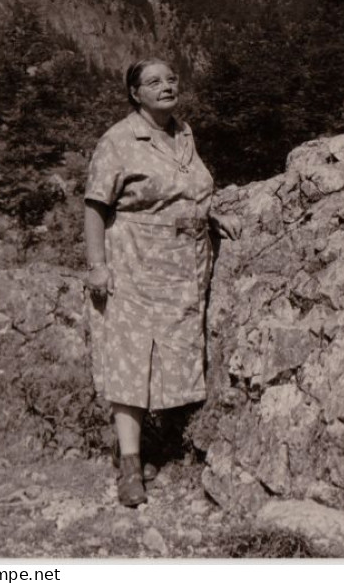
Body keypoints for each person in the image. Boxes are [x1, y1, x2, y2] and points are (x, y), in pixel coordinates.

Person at [83, 57, 240, 507]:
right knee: (131, 357)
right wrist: (98, 266)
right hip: (134, 261)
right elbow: (95, 205)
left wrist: (211, 214)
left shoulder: (183, 132)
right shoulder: (117, 140)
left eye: (171, 79)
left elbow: (185, 189)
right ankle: (129, 467)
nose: (166, 86)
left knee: (174, 354)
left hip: (183, 266)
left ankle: (163, 446)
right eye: (153, 82)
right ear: (135, 93)